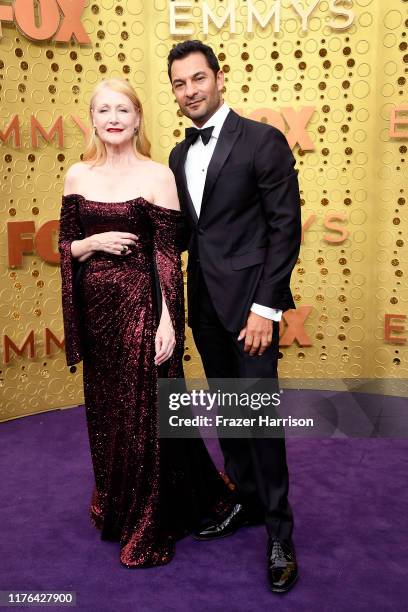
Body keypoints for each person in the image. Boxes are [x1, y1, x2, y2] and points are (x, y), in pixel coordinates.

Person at [58, 78, 230, 568]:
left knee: (145, 416)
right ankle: (116, 502)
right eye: (103, 109)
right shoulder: (76, 175)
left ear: (137, 118)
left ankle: (146, 520)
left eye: (122, 110)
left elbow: (166, 257)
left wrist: (167, 320)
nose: (113, 118)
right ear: (92, 119)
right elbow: (64, 245)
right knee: (108, 412)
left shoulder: (157, 176)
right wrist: (91, 244)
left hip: (140, 310)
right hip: (96, 317)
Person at [167, 41, 302, 592]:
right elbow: (185, 234)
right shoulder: (178, 156)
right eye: (179, 83)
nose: (190, 90)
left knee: (261, 423)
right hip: (204, 307)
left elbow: (284, 228)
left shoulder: (262, 140)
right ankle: (244, 502)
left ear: (220, 79)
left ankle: (280, 534)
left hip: (252, 309)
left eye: (198, 78)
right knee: (228, 414)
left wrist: (265, 308)